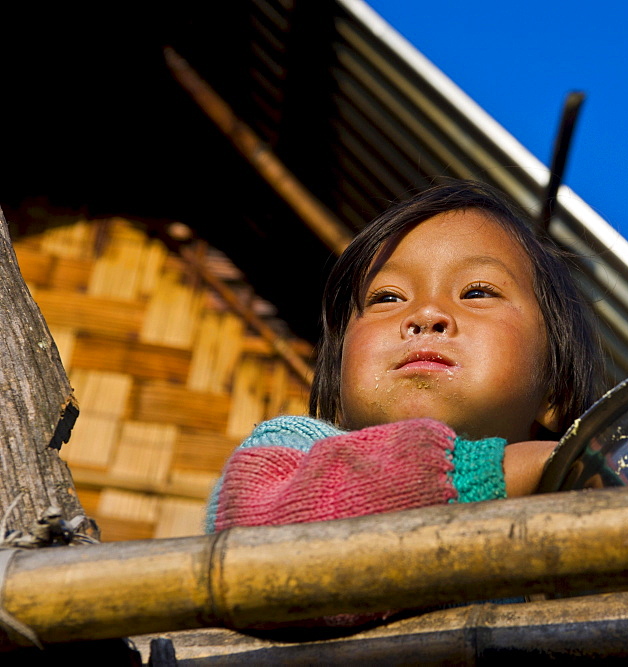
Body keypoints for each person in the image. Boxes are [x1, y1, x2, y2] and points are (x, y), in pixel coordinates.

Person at [204, 180, 601, 624]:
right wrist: (493, 473)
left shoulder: (576, 542)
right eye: (387, 298)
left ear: (555, 392)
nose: (426, 315)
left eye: (476, 292)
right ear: (337, 392)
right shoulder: (291, 450)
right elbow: (262, 552)